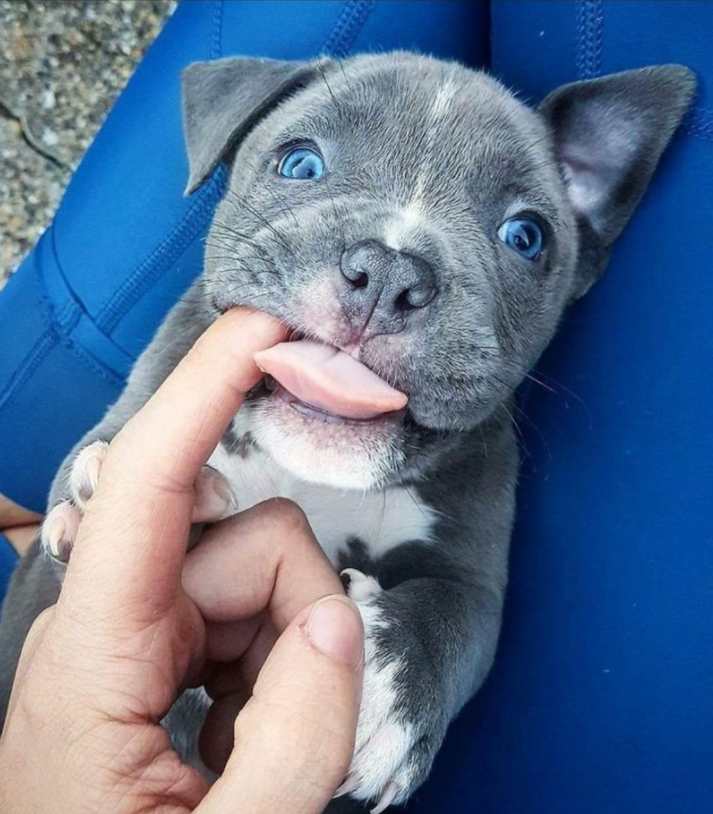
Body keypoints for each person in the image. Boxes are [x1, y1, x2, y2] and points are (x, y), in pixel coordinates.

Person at [0, 2, 711, 813]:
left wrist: (417, 661)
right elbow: (102, 462)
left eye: (521, 234)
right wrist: (92, 482)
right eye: (301, 162)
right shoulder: (197, 345)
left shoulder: (474, 452)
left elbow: (464, 594)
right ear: (227, 144)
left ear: (584, 236)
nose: (386, 273)